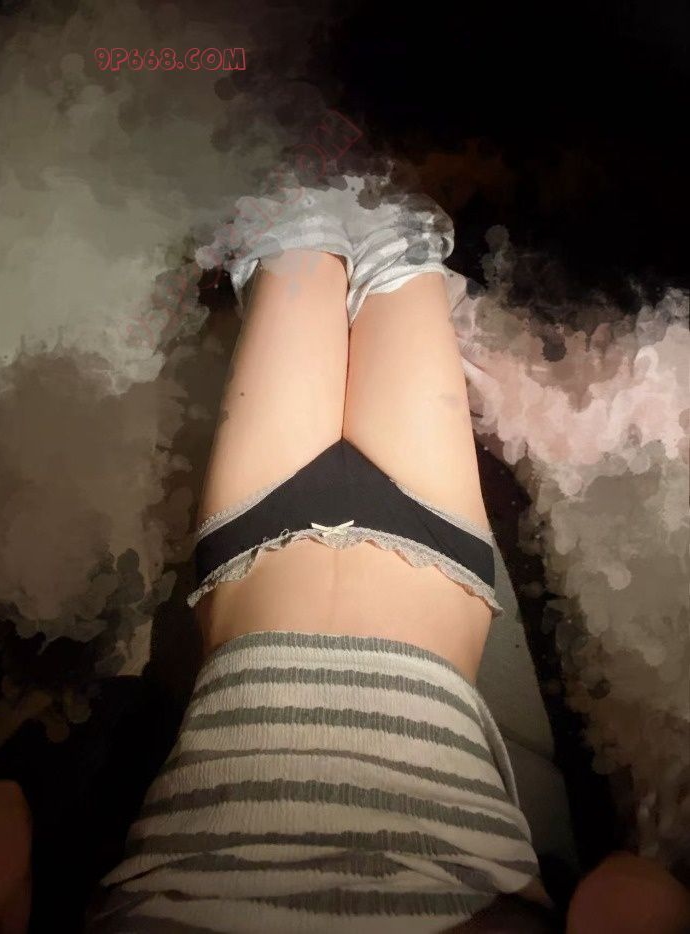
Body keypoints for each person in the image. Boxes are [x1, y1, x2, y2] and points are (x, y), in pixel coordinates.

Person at [74, 168, 687, 933]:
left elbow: (632, 893)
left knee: (389, 242)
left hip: (404, 575)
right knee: (314, 230)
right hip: (281, 571)